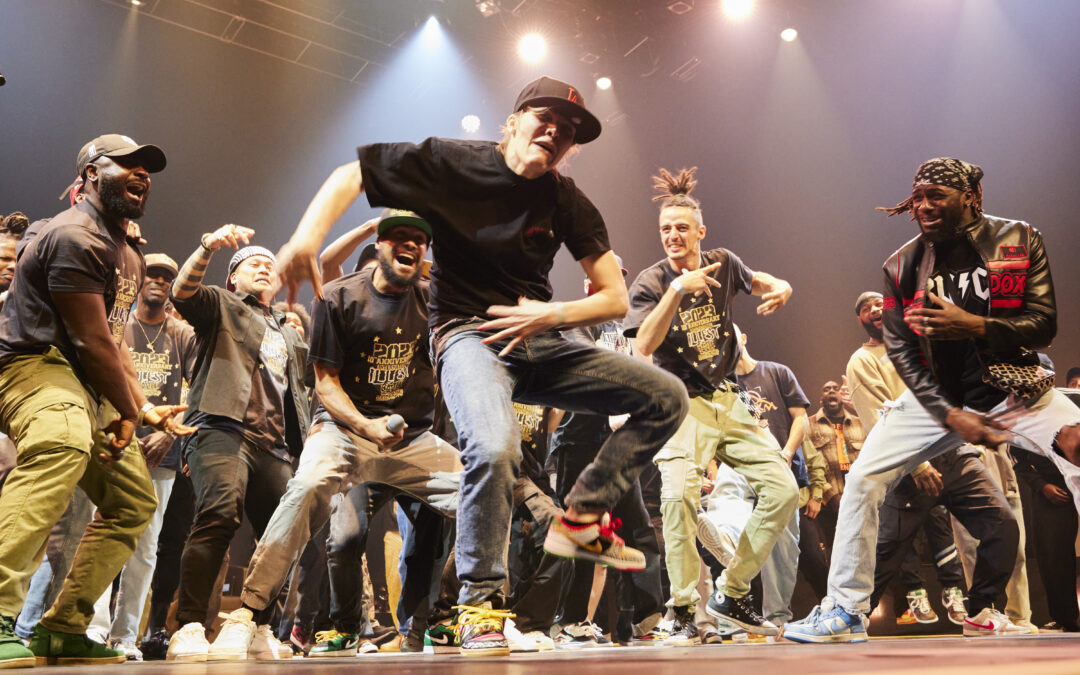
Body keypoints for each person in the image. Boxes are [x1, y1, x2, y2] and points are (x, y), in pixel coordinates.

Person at [269, 75, 689, 655]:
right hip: (468, 336)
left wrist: (550, 314)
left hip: (537, 339)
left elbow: (615, 297)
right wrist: (305, 239)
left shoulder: (566, 200)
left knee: (667, 397)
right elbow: (353, 174)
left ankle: (582, 516)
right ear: (512, 122)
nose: (556, 133)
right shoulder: (453, 163)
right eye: (545, 119)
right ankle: (479, 606)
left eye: (568, 131)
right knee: (493, 447)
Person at [784, 157, 1080, 643]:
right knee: (863, 477)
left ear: (972, 197)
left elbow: (1043, 325)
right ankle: (844, 610)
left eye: (936, 195)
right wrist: (950, 414)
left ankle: (985, 609)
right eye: (917, 197)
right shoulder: (901, 266)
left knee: (1077, 444)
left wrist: (973, 325)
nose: (922, 206)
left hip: (1011, 387)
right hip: (937, 398)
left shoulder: (1018, 239)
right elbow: (901, 352)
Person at [211, 210, 462, 660]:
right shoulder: (340, 295)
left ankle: (468, 613)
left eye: (418, 239)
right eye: (397, 236)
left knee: (487, 493)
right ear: (379, 245)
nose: (409, 244)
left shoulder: (432, 299)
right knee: (308, 491)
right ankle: (247, 613)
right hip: (344, 430)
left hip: (412, 440)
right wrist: (365, 427)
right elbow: (325, 383)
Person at [0, 134, 189, 668]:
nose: (141, 174)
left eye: (146, 169)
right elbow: (89, 340)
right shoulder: (73, 235)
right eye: (126, 164)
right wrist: (127, 410)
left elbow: (113, 340)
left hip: (84, 380)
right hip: (33, 365)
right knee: (62, 444)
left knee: (133, 500)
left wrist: (142, 409)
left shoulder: (128, 253)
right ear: (89, 174)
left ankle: (64, 627)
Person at [624, 166, 797, 637]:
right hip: (680, 406)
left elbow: (759, 280)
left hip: (727, 400)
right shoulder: (651, 282)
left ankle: (732, 592)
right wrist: (677, 291)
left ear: (701, 232)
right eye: (665, 229)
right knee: (678, 497)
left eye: (682, 227)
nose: (672, 236)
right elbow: (643, 345)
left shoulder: (723, 262)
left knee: (784, 490)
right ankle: (682, 608)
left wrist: (781, 286)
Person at [167, 228, 310, 662]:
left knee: (283, 534)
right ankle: (189, 626)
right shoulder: (221, 305)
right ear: (233, 278)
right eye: (253, 264)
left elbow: (308, 385)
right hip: (220, 429)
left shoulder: (288, 331)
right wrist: (207, 247)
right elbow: (182, 293)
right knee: (220, 513)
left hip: (276, 445)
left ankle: (259, 626)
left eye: (270, 264)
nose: (264, 268)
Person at [86, 254, 197, 659]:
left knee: (146, 546)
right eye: (152, 273)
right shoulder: (119, 326)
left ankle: (125, 635)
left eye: (167, 276)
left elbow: (197, 386)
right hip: (116, 442)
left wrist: (169, 435)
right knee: (101, 534)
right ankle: (93, 628)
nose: (159, 280)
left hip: (162, 452)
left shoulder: (182, 333)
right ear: (138, 279)